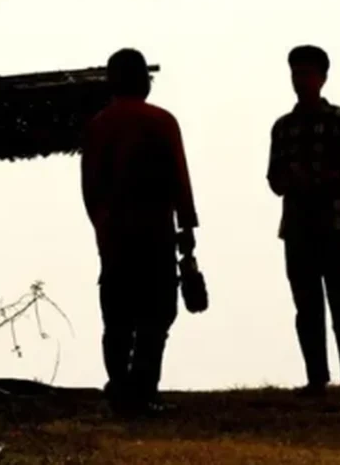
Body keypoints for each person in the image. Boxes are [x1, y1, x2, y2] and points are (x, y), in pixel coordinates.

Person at [81, 48, 198, 416]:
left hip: (114, 236)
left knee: (116, 318)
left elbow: (90, 188)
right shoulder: (162, 121)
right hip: (156, 232)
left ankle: (120, 389)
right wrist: (188, 227)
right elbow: (180, 178)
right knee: (156, 315)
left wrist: (102, 228)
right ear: (144, 80)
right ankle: (144, 389)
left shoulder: (99, 125)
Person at [266, 44, 340, 400]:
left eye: (307, 72)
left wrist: (320, 178)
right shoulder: (282, 127)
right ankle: (317, 378)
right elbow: (273, 178)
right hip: (297, 227)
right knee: (307, 307)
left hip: (334, 225)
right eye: (296, 72)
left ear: (323, 77)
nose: (301, 79)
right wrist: (295, 181)